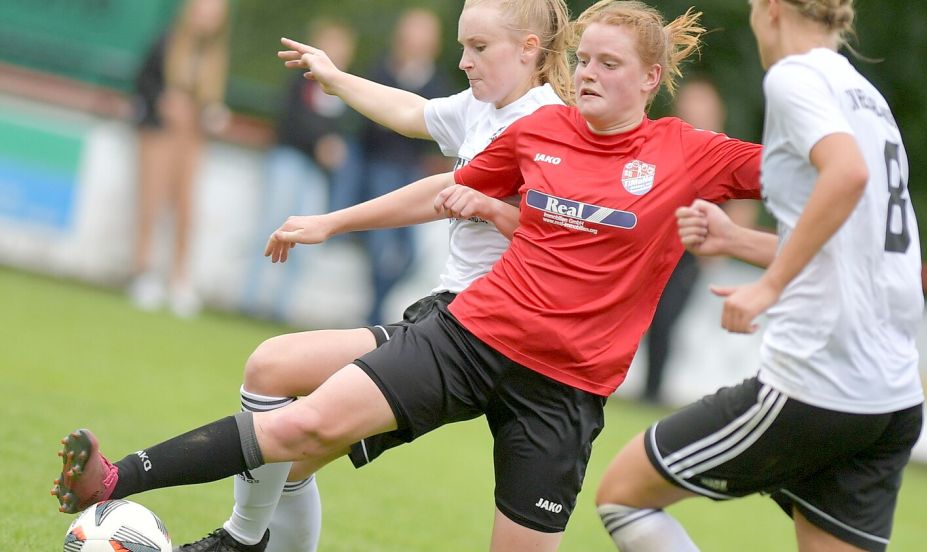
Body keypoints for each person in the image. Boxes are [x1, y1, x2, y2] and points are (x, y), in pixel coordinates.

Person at [52, 2, 763, 550]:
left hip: (564, 385)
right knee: (300, 420)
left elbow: (810, 177)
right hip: (473, 330)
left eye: (609, 65)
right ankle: (119, 481)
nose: (588, 75)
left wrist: (759, 252)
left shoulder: (686, 151)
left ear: (649, 79)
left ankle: (245, 536)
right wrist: (334, 219)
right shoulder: (536, 131)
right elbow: (437, 189)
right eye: (584, 60)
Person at [170, 0, 578, 550]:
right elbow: (413, 112)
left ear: (530, 48)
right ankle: (243, 538)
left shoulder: (551, 127)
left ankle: (237, 539)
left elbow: (554, 239)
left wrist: (333, 222)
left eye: (478, 48)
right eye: (462, 46)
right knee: (276, 398)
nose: (463, 61)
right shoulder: (484, 107)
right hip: (450, 317)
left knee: (287, 433)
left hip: (485, 338)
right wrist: (336, 80)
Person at [594, 1, 923, 551]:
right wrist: (740, 241)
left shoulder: (795, 76)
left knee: (624, 495)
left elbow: (847, 174)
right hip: (889, 398)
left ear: (770, 8)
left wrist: (768, 287)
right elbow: (859, 244)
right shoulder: (865, 96)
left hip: (817, 382)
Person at [641, 75, 759, 404]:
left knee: (665, 318)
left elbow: (743, 198)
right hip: (650, 246)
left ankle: (651, 392)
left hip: (689, 253)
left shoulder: (723, 152)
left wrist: (724, 245)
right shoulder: (664, 146)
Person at [239, 19, 363, 322]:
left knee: (304, 240)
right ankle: (249, 299)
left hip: (316, 173)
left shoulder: (345, 90)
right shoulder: (299, 82)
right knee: (271, 227)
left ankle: (282, 307)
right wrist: (319, 143)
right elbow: (291, 121)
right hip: (289, 162)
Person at [128, 0, 231, 318]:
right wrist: (163, 101)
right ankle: (143, 273)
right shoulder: (166, 42)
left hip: (193, 138)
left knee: (186, 209)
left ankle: (179, 280)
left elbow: (212, 99)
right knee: (152, 202)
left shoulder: (215, 57)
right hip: (160, 133)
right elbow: (143, 82)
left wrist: (213, 114)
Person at [357, 7, 452, 325]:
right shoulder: (381, 70)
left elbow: (437, 133)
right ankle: (374, 312)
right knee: (380, 245)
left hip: (413, 171)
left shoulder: (437, 83)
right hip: (380, 167)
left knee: (410, 254)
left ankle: (374, 307)